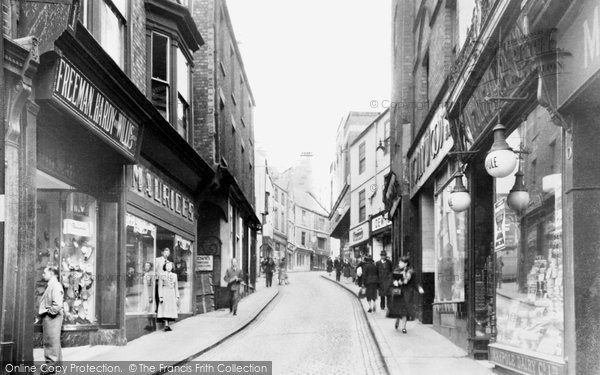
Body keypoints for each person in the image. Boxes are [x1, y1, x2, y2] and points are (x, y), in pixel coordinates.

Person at [388, 256, 424, 333]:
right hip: (398, 292)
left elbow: (415, 282)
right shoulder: (396, 270)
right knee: (398, 309)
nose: (399, 263)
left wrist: (419, 288)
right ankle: (397, 319)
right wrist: (395, 282)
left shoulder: (411, 272)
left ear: (405, 264)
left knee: (405, 311)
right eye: (399, 262)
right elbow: (391, 279)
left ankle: (404, 327)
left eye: (401, 262)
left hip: (407, 293)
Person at [39, 266, 64, 371]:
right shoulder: (53, 285)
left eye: (45, 272)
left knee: (50, 341)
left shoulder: (55, 285)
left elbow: (57, 305)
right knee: (54, 341)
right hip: (52, 317)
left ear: (52, 273)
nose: (43, 274)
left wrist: (48, 313)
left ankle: (51, 367)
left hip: (52, 318)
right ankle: (56, 366)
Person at [157, 261, 179, 331]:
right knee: (165, 308)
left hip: (172, 293)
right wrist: (160, 296)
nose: (169, 267)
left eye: (170, 266)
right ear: (165, 267)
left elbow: (176, 286)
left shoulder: (174, 275)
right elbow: (160, 286)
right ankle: (166, 324)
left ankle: (168, 324)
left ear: (172, 267)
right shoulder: (162, 275)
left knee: (170, 309)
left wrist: (177, 296)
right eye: (167, 266)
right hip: (165, 292)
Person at [155, 247, 171, 312]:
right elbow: (155, 270)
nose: (167, 253)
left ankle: (163, 310)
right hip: (158, 280)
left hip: (166, 282)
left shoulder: (169, 262)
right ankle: (157, 309)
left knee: (165, 296)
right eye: (165, 251)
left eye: (168, 251)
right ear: (162, 252)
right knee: (158, 295)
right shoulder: (157, 260)